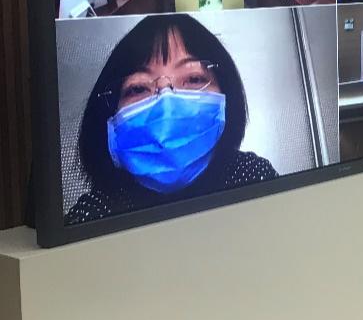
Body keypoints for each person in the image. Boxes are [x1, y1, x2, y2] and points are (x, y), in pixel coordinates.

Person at [66, 14, 277, 224]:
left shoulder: (253, 177)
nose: (166, 103)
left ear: (227, 92)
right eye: (138, 88)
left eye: (194, 78)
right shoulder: (92, 216)